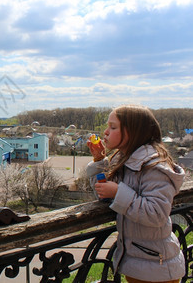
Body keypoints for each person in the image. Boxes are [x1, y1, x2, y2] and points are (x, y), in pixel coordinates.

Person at [86, 105, 185, 283]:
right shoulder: (125, 158)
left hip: (157, 267)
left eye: (113, 127)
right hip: (140, 261)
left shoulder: (154, 167)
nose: (106, 132)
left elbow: (157, 214)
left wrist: (118, 193)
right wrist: (99, 160)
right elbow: (103, 194)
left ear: (133, 133)